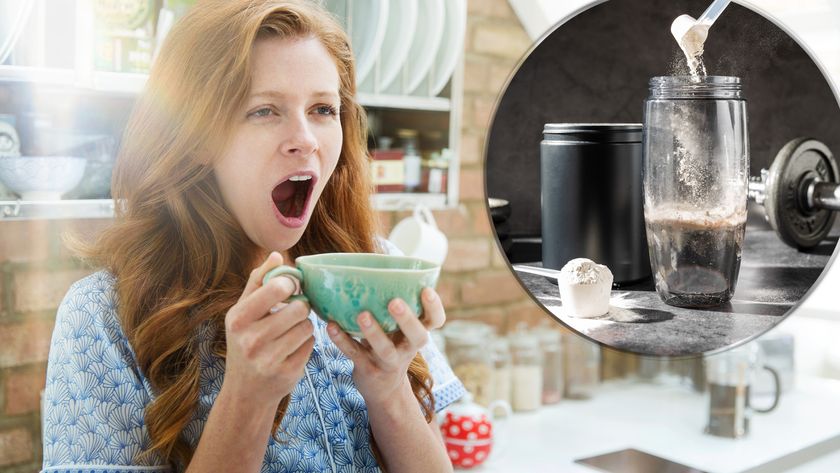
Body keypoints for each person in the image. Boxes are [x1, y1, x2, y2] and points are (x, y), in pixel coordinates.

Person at [40, 1, 464, 472]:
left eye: (323, 109)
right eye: (264, 110)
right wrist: (247, 398)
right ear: (196, 135)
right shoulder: (102, 315)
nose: (305, 139)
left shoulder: (376, 266)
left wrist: (391, 390)